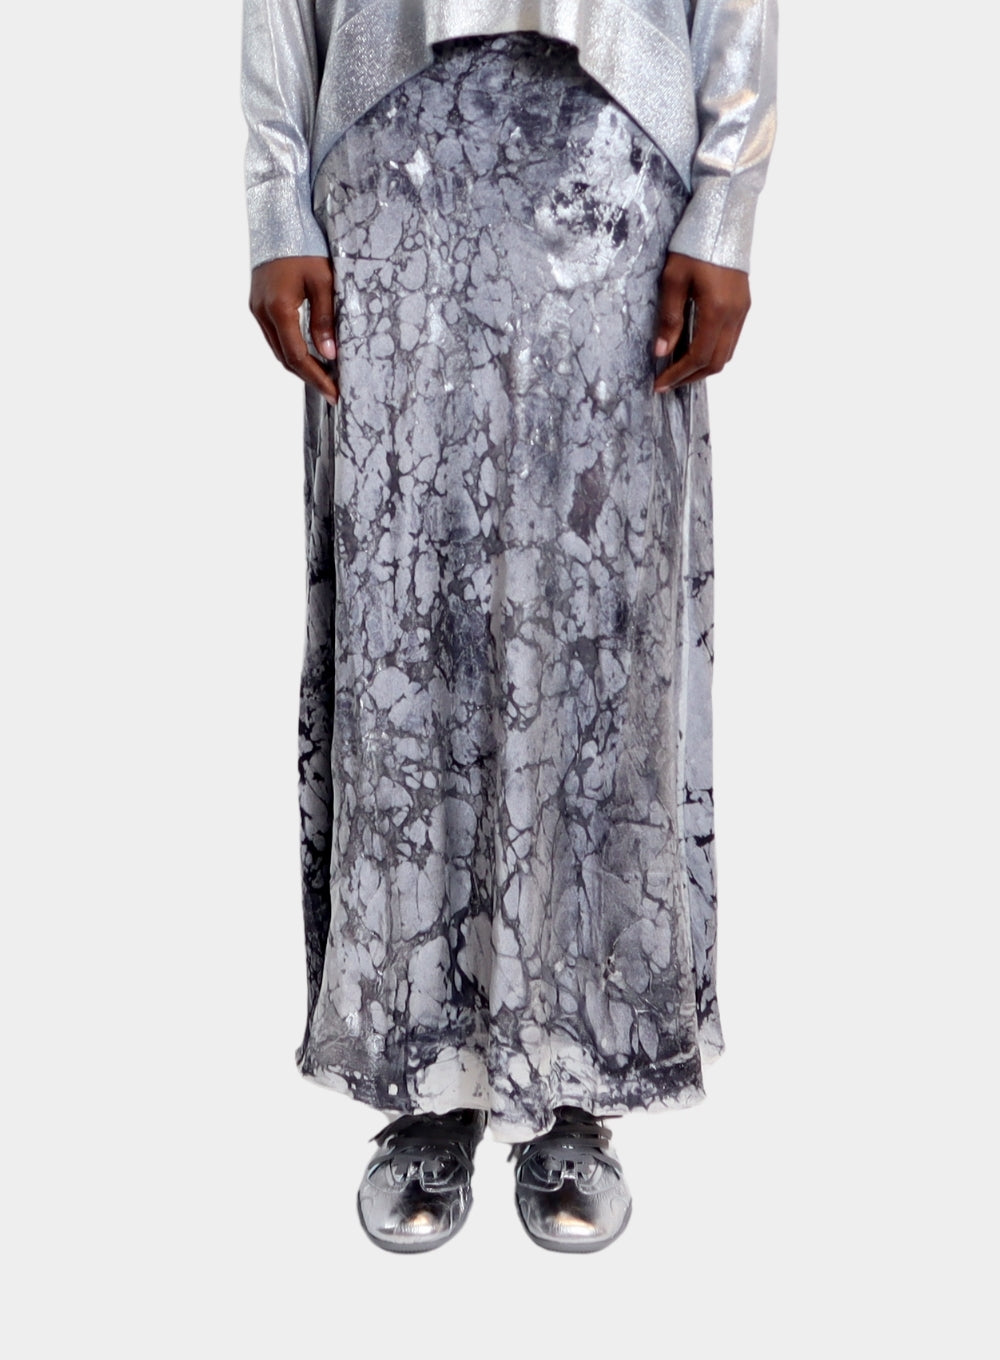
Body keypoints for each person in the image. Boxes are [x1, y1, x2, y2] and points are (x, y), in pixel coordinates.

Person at [240, 1, 778, 1254]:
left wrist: (727, 199)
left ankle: (580, 1070)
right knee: (405, 615)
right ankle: (420, 1060)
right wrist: (274, 204)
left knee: (597, 623)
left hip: (614, 154)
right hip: (387, 160)